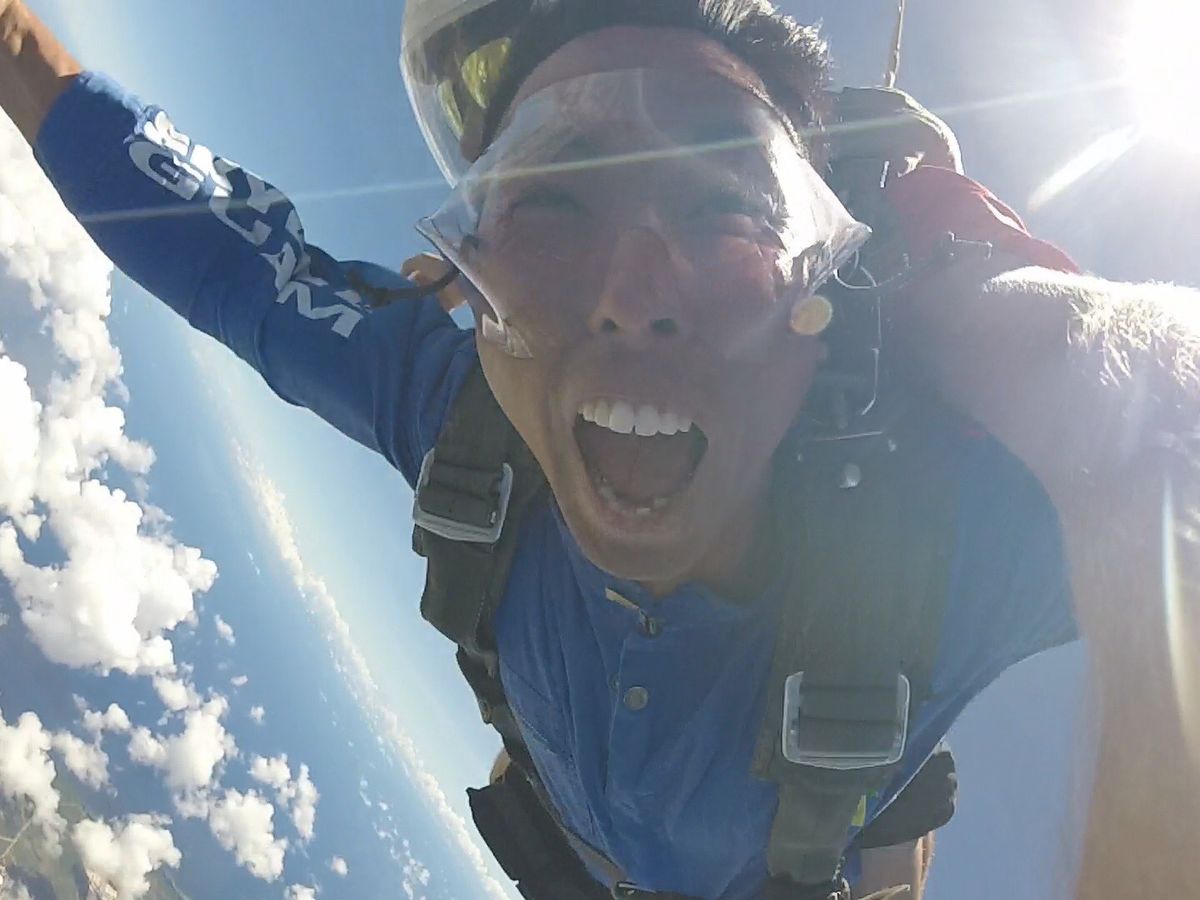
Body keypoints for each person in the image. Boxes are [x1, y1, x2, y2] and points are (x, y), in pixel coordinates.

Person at [2, 0, 1199, 898]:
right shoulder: (455, 404)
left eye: (730, 208)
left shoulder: (928, 534)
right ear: (470, 279)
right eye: (551, 204)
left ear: (822, 290)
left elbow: (1172, 414)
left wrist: (1039, 333)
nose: (633, 296)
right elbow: (221, 249)